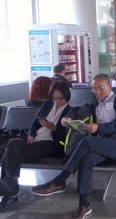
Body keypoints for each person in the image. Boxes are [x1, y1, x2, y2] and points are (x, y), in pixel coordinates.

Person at [31, 74, 116, 219]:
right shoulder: (95, 103)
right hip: (103, 145)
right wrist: (66, 118)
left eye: (100, 88)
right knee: (85, 160)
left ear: (109, 86)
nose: (97, 92)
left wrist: (98, 128)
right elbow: (76, 109)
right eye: (94, 89)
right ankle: (84, 206)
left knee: (87, 142)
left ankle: (60, 180)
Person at [0, 81, 71, 211]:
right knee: (13, 143)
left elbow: (65, 137)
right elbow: (34, 123)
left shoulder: (70, 110)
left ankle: (10, 190)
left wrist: (54, 128)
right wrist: (31, 135)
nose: (57, 101)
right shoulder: (47, 105)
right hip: (36, 140)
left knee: (9, 153)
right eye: (54, 98)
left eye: (60, 98)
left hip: (51, 144)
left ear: (66, 96)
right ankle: (10, 186)